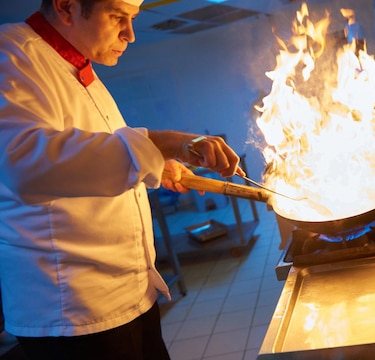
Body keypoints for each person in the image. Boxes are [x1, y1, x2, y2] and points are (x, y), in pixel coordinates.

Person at [0, 0, 243, 358]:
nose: (130, 34)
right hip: (73, 312)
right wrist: (164, 143)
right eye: (117, 17)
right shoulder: (13, 54)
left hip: (128, 295)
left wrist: (157, 164)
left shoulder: (80, 68)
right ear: (67, 6)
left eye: (132, 19)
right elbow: (25, 165)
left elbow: (94, 152)